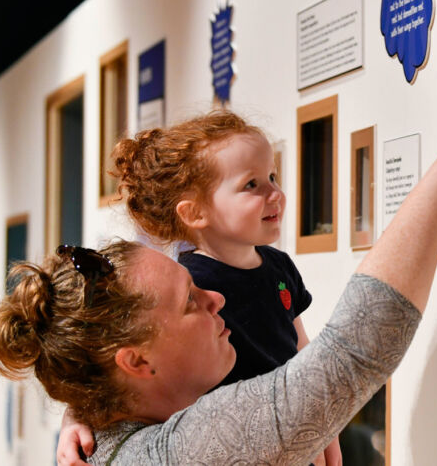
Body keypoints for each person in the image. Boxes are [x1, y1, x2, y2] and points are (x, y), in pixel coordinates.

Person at [0, 78, 437, 465]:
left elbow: (306, 351)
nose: (215, 301)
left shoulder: (116, 433)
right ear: (136, 360)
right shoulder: (188, 447)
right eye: (191, 301)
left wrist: (79, 412)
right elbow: (349, 356)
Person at [58, 109, 339, 465]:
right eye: (251, 184)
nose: (276, 193)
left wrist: (324, 418)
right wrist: (76, 417)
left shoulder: (279, 266)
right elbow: (111, 356)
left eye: (272, 176)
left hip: (292, 423)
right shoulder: (186, 286)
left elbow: (301, 350)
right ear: (193, 213)